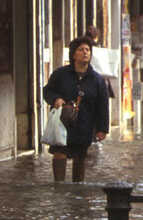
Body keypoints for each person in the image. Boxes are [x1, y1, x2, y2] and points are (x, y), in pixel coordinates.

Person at [42, 35, 109, 183]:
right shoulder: (60, 74)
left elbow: (103, 106)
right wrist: (56, 99)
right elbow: (47, 91)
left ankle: (78, 189)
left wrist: (102, 129)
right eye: (81, 50)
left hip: (85, 125)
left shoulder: (97, 80)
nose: (85, 52)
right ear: (74, 54)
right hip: (63, 124)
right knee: (60, 153)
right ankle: (59, 186)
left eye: (87, 49)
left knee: (80, 157)